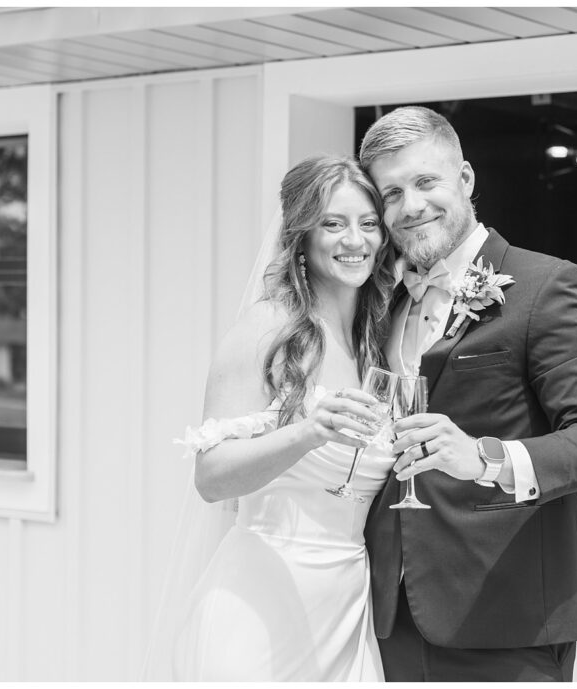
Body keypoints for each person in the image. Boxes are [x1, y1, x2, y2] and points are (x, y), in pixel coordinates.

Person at [359, 106, 577, 681]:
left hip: (508, 614)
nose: (411, 206)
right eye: (391, 193)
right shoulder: (381, 303)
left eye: (426, 182)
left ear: (467, 180)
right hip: (392, 613)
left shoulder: (546, 285)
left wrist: (484, 457)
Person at [149, 155, 396, 680]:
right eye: (333, 223)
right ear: (301, 235)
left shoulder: (377, 341)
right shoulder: (268, 329)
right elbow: (211, 479)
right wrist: (307, 433)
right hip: (260, 605)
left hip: (348, 606)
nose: (356, 239)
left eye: (368, 223)